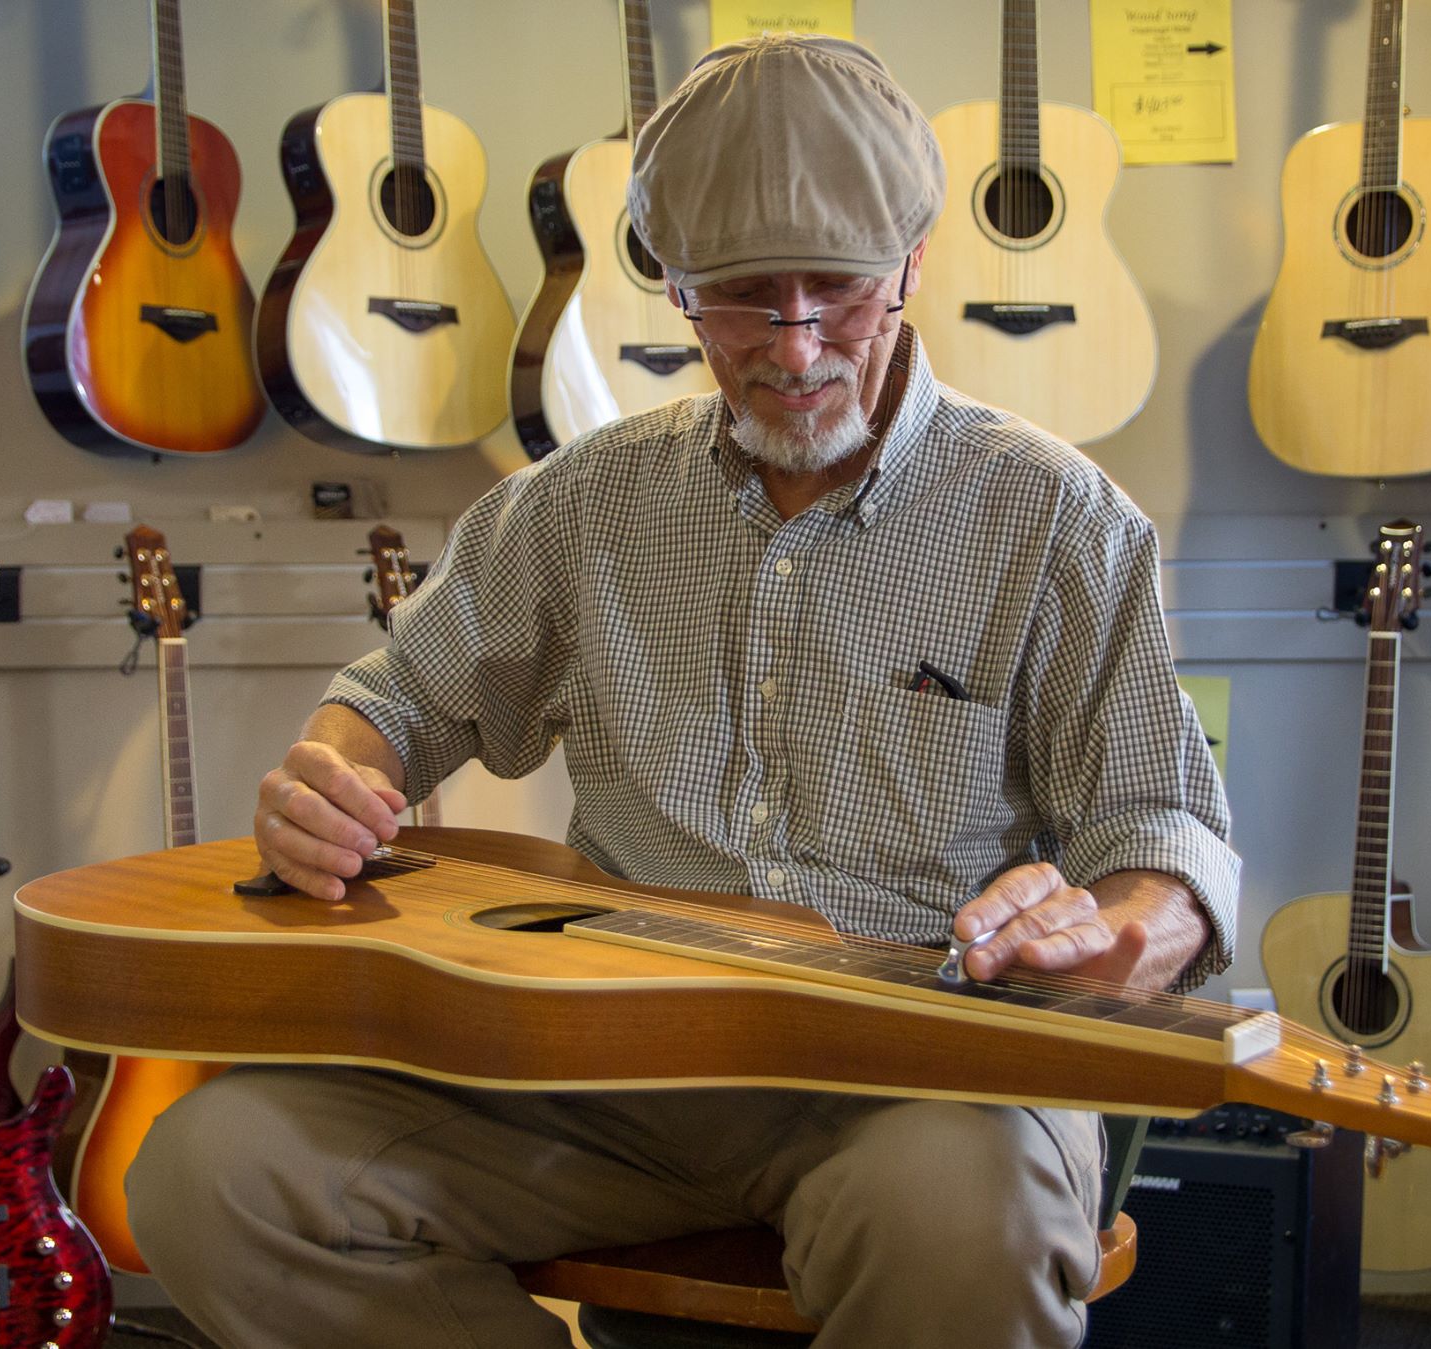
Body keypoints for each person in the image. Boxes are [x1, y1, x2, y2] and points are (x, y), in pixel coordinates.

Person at [126, 34, 1238, 1348]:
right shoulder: (587, 499)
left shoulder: (1056, 519)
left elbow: (1164, 837)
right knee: (216, 1173)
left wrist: (1116, 933)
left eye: (839, 292)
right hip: (608, 1064)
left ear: (916, 268)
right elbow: (399, 700)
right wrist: (330, 773)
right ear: (672, 286)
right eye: (739, 299)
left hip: (923, 1073)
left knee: (967, 1225)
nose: (794, 344)